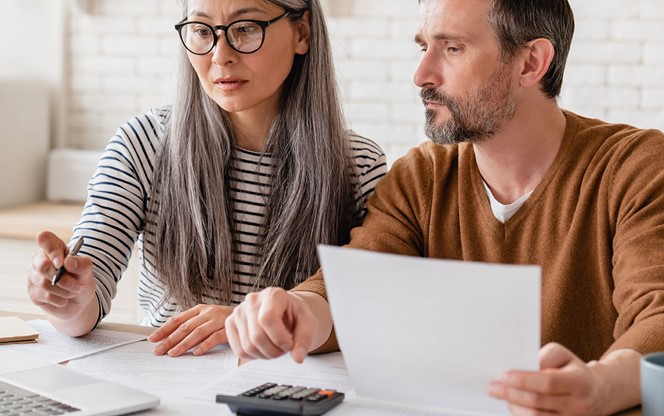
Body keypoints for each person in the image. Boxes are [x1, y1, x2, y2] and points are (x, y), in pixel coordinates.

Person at [224, 0, 664, 413]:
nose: (421, 75)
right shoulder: (422, 176)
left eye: (452, 48)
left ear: (531, 63)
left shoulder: (634, 167)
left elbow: (657, 317)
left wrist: (597, 386)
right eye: (423, 47)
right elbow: (357, 287)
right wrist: (297, 309)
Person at [26, 0, 386, 358]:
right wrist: (67, 301)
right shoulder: (143, 143)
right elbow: (87, 298)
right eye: (201, 31)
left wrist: (243, 326)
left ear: (302, 32)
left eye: (245, 29)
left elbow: (366, 313)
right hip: (171, 383)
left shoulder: (359, 165)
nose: (220, 55)